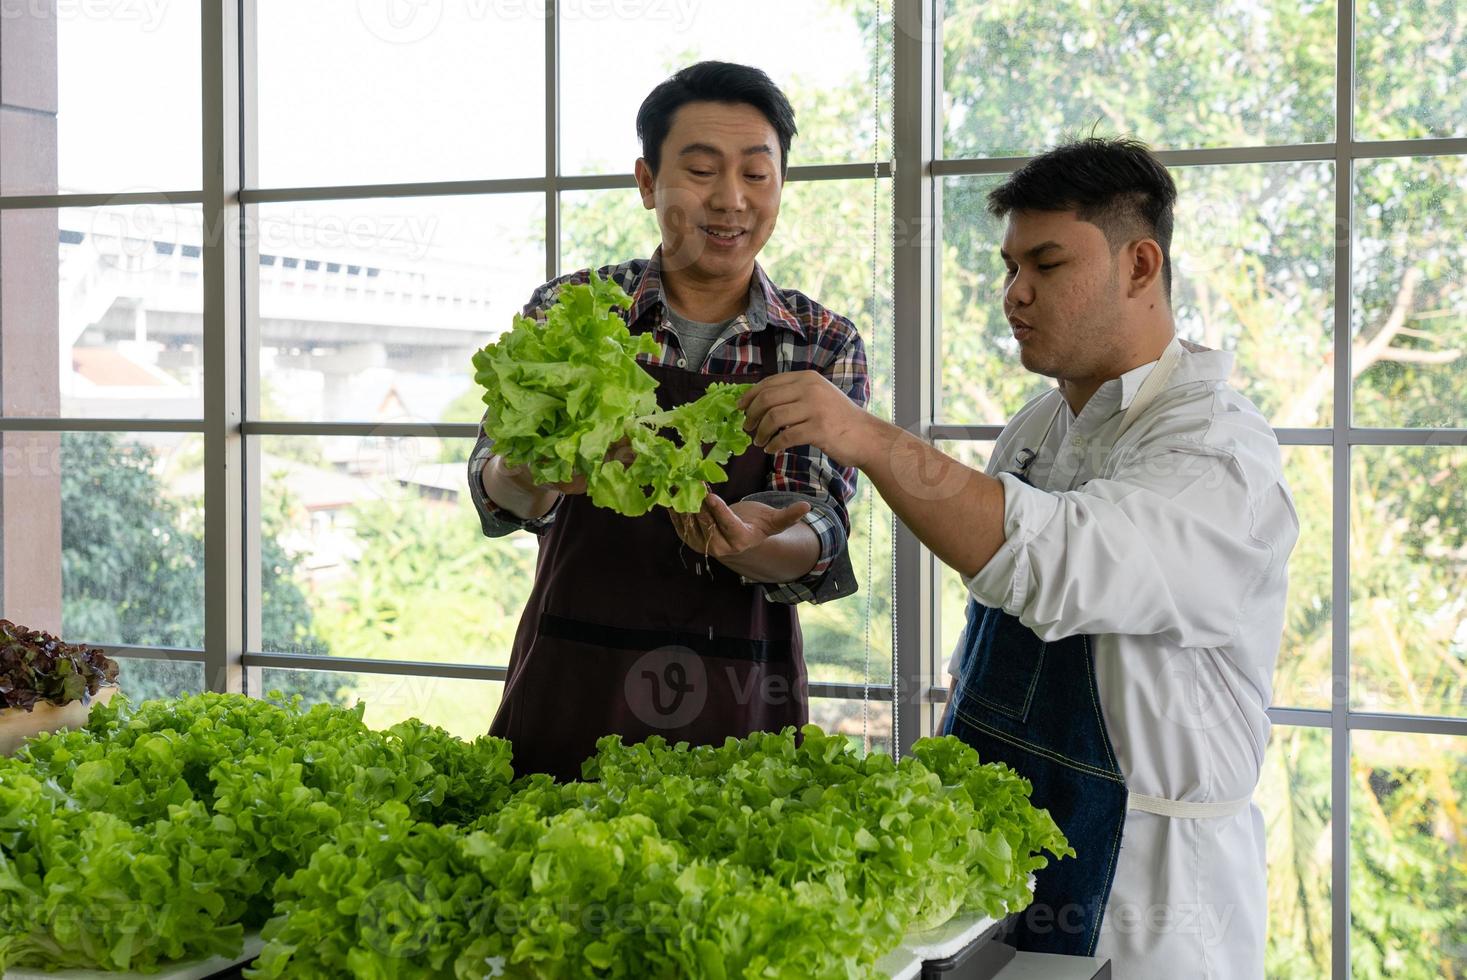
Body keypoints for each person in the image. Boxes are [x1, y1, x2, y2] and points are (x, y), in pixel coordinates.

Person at [738, 137, 1298, 978]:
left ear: (1139, 265)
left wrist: (864, 436)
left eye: (1045, 264)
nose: (1014, 295)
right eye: (1008, 267)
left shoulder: (1215, 448)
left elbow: (1057, 563)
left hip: (1145, 898)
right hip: (1004, 868)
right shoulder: (1038, 427)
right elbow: (998, 593)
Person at [468, 61, 869, 783]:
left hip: (740, 684)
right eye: (700, 171)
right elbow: (496, 487)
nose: (730, 200)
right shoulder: (572, 309)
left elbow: (819, 522)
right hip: (574, 671)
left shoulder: (818, 340)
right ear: (648, 181)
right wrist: (534, 471)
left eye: (756, 174)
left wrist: (752, 544)